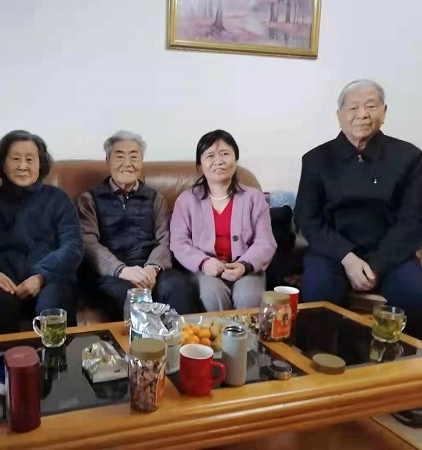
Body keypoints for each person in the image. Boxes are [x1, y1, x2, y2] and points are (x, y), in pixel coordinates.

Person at [294, 79, 422, 330]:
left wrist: (377, 264)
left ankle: (403, 357)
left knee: (416, 297)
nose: (362, 114)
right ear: (339, 115)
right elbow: (306, 217)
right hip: (333, 252)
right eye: (353, 107)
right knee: (318, 298)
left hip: (390, 253)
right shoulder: (316, 159)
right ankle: (323, 355)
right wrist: (347, 257)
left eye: (371, 106)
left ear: (384, 112)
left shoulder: (409, 157)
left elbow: (413, 220)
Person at [0, 130, 84, 335]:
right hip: (3, 285)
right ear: (3, 164)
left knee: (54, 304)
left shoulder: (58, 199)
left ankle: (57, 357)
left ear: (40, 164)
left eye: (30, 159)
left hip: (49, 281)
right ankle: (1, 357)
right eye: (15, 159)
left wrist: (41, 275)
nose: (23, 166)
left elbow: (73, 246)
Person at [77, 130, 199, 320]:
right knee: (124, 294)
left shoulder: (155, 198)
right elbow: (88, 243)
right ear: (108, 161)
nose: (127, 163)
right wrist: (121, 270)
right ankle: (139, 339)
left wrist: (152, 268)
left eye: (134, 156)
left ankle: (182, 337)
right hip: (111, 274)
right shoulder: (90, 198)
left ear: (141, 162)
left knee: (178, 286)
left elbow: (166, 239)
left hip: (151, 268)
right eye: (119, 156)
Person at [170, 130, 277, 311]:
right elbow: (179, 243)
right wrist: (204, 263)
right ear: (200, 165)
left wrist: (244, 265)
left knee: (247, 296)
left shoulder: (254, 198)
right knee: (212, 294)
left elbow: (265, 242)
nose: (218, 161)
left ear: (235, 160)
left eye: (225, 154)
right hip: (205, 270)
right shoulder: (186, 201)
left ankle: (245, 332)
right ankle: (219, 331)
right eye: (210, 156)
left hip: (247, 268)